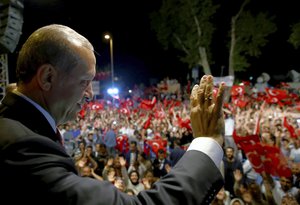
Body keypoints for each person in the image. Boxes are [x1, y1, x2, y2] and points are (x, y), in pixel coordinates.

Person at [0, 24, 226, 204]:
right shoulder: (22, 147)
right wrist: (207, 142)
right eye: (84, 82)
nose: (89, 94)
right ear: (48, 77)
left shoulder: (19, 127)